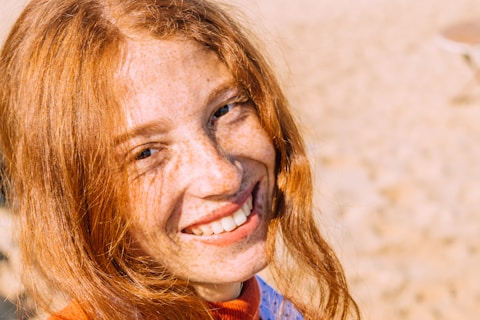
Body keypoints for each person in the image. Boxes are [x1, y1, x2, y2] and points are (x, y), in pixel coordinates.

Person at [0, 0, 361, 319]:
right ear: (73, 200)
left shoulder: (281, 310)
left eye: (224, 110)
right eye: (146, 153)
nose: (222, 175)